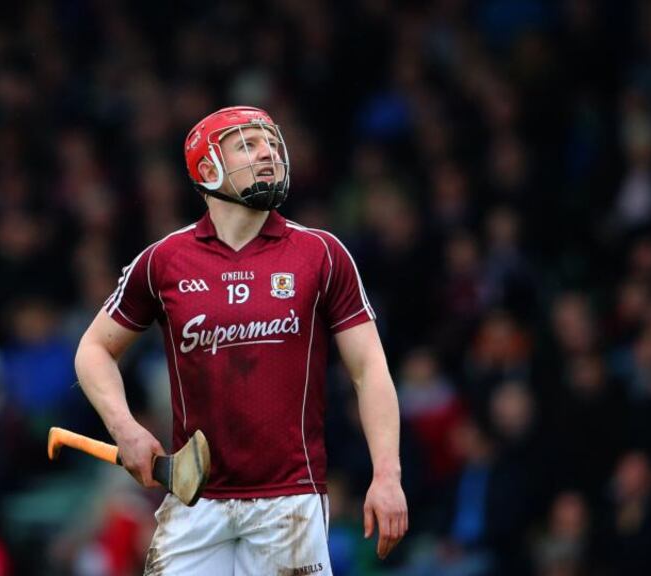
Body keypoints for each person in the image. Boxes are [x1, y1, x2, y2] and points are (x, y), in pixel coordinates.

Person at [75, 105, 408, 574]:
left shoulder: (322, 254)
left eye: (272, 143)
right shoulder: (163, 261)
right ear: (207, 169)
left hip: (289, 500)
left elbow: (369, 369)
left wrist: (387, 475)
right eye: (248, 145)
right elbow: (93, 350)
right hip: (194, 502)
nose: (268, 153)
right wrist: (125, 428)